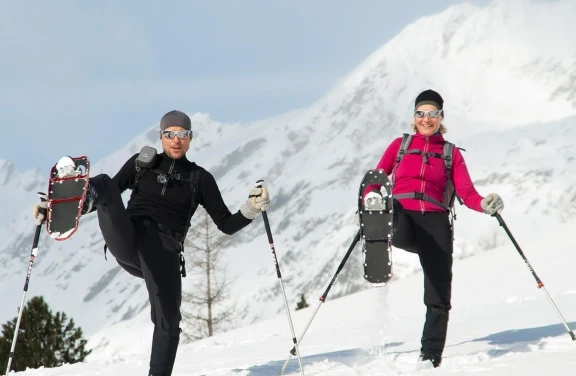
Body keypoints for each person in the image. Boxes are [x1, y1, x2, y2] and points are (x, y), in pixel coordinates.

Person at [33, 110, 270, 376]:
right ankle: (75, 193)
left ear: (190, 139)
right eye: (170, 134)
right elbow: (109, 194)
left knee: (169, 321)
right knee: (105, 185)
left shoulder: (200, 179)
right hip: (128, 236)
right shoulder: (141, 164)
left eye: (182, 135)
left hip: (163, 250)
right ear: (161, 137)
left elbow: (225, 224)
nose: (176, 140)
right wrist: (54, 211)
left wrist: (252, 207)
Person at [362, 89, 504, 368]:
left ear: (441, 117)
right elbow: (377, 177)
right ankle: (379, 222)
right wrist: (372, 194)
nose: (426, 119)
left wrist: (485, 204)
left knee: (439, 292)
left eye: (432, 114)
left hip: (436, 221)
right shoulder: (399, 145)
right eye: (421, 113)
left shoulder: (451, 154)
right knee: (392, 212)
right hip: (402, 213)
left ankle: (430, 357)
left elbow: (467, 192)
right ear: (414, 117)